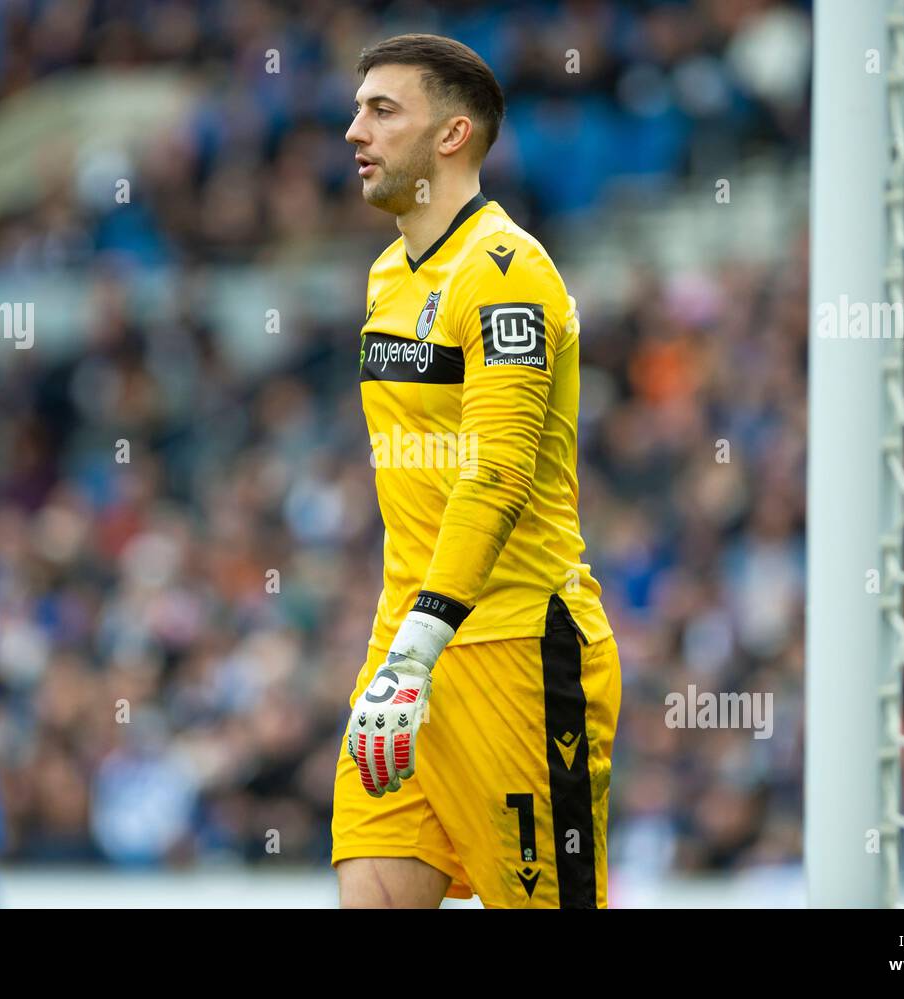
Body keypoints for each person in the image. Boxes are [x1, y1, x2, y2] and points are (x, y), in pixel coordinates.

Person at [334, 33, 620, 908]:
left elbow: (496, 472)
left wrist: (418, 647)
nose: (355, 131)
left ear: (452, 136)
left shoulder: (507, 272)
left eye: (383, 111)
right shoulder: (389, 273)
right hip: (407, 646)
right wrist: (405, 650)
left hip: (515, 650)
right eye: (357, 109)